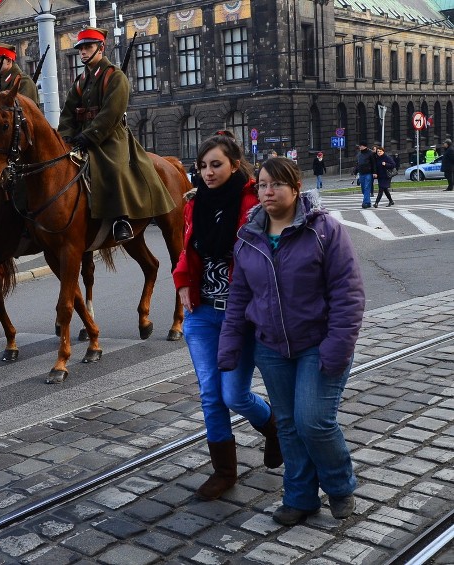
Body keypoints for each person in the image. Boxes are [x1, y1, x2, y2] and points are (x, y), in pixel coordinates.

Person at [219, 157, 364, 526]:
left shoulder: (323, 229)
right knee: (287, 424)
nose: (268, 192)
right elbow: (238, 298)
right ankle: (299, 497)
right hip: (272, 348)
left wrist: (337, 346)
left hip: (320, 343)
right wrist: (230, 346)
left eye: (276, 185)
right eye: (262, 185)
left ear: (295, 188)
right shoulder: (248, 237)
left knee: (313, 420)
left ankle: (339, 486)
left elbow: (347, 294)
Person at [172, 131, 281, 501]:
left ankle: (273, 427)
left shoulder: (253, 202)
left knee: (234, 394)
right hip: (202, 313)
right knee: (209, 394)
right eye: (202, 166)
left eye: (216, 165)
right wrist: (183, 281)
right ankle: (224, 471)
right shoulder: (194, 203)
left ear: (234, 164)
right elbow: (188, 250)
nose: (208, 173)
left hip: (240, 315)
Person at [57, 27, 175, 243]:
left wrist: (90, 136)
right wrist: (64, 137)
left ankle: (121, 219)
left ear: (101, 48)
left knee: (113, 167)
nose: (83, 52)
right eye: (81, 48)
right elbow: (67, 113)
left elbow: (111, 113)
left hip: (110, 136)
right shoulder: (80, 81)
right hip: (82, 135)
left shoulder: (115, 76)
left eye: (88, 47)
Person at [353, 142, 374, 208]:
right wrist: (355, 171)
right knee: (363, 189)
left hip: (368, 173)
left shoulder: (370, 153)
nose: (359, 147)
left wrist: (374, 172)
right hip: (361, 173)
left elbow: (374, 164)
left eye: (360, 146)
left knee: (367, 187)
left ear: (364, 146)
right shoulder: (359, 154)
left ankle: (365, 202)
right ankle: (368, 202)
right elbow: (357, 163)